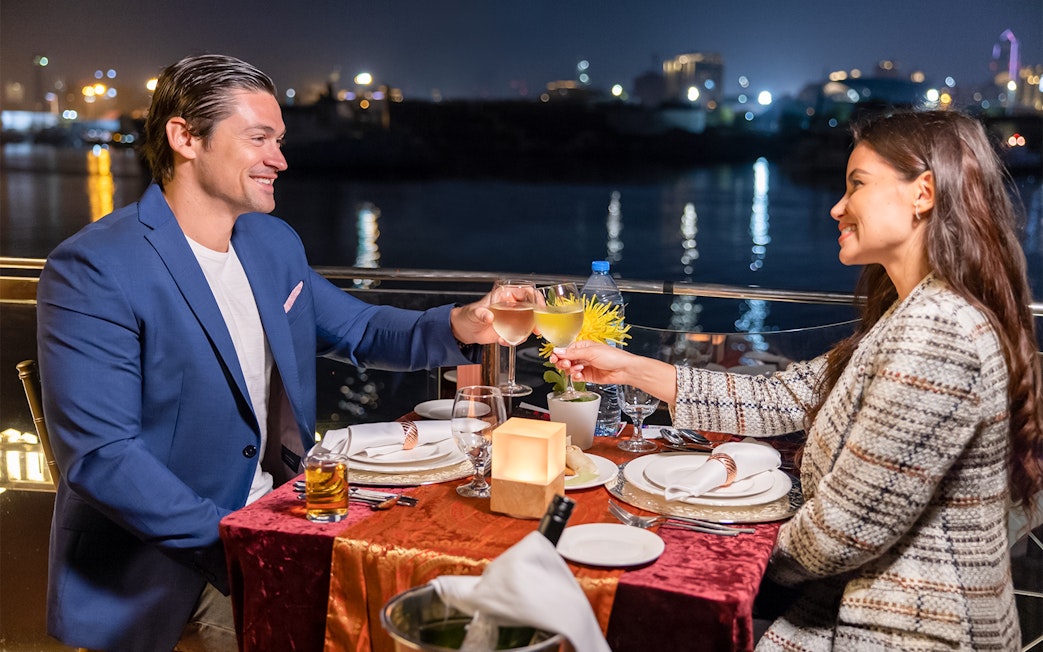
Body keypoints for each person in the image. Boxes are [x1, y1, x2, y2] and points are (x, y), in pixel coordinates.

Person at [36, 54, 501, 652]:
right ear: (185, 137)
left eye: (279, 140)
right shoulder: (95, 267)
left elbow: (358, 329)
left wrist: (464, 322)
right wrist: (245, 543)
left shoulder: (271, 241)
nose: (279, 160)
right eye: (259, 139)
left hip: (286, 512)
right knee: (359, 633)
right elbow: (103, 458)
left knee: (434, 590)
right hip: (164, 568)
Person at [556, 110, 1043, 650]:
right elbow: (786, 395)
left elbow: (840, 534)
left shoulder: (936, 330)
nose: (837, 207)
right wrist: (632, 369)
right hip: (858, 609)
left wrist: (711, 545)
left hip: (907, 629)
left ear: (922, 193)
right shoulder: (914, 312)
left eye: (856, 184)